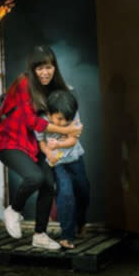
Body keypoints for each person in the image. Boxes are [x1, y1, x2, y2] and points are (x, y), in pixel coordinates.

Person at [0, 45, 82, 250]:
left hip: (33, 144)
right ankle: (14, 210)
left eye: (48, 67)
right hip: (9, 141)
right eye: (39, 68)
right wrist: (68, 132)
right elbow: (31, 121)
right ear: (32, 70)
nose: (44, 72)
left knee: (48, 184)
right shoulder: (24, 82)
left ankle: (40, 235)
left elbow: (64, 107)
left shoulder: (53, 86)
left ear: (54, 67)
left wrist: (71, 128)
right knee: (35, 177)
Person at [36, 89, 90, 250]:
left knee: (84, 191)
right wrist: (48, 153)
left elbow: (73, 139)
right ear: (48, 113)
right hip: (57, 163)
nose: (63, 123)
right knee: (65, 193)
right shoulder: (41, 121)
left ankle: (80, 223)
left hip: (75, 159)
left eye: (67, 120)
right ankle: (67, 236)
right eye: (59, 119)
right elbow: (41, 142)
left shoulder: (73, 113)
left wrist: (58, 144)